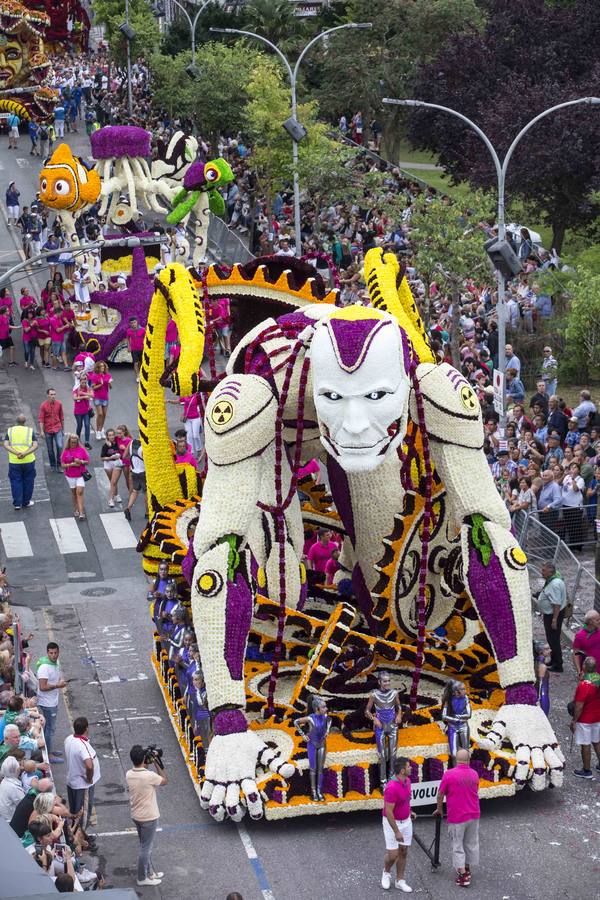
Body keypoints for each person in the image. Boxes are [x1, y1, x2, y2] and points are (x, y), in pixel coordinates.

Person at [435, 747, 480, 888]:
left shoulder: (449, 774)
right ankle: (467, 868)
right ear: (468, 760)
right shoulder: (474, 774)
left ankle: (463, 875)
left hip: (457, 816)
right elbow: (475, 790)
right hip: (474, 814)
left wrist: (439, 809)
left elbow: (440, 794)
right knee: (471, 842)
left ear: (455, 760)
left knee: (458, 843)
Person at [126, 744, 168, 887]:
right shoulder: (149, 776)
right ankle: (142, 877)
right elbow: (164, 780)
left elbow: (143, 771)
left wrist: (147, 760)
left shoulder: (129, 774)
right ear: (144, 759)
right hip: (148, 817)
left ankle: (149, 873)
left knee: (144, 845)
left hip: (136, 815)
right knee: (146, 848)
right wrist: (155, 761)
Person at [381, 756, 415, 893]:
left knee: (403, 851)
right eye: (408, 766)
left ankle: (400, 880)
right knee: (393, 854)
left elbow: (406, 800)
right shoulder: (391, 788)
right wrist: (396, 831)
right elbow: (389, 812)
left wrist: (410, 811)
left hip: (406, 822)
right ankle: (386, 872)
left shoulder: (408, 781)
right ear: (402, 771)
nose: (411, 768)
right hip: (392, 824)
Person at [366, 671, 403, 788]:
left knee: (393, 754)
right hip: (380, 727)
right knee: (382, 755)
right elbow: (366, 711)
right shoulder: (374, 695)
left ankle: (392, 779)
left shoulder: (394, 693)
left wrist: (399, 715)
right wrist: (373, 719)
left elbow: (399, 706)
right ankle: (383, 782)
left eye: (388, 681)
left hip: (392, 727)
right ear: (379, 682)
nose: (387, 683)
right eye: (385, 681)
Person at [64, 717, 100, 828]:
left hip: (72, 781)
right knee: (83, 812)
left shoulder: (69, 739)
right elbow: (89, 765)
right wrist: (89, 778)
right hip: (82, 784)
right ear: (86, 728)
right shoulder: (82, 746)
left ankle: (75, 833)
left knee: (75, 810)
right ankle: (81, 836)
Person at [35, 642, 68, 762]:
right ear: (47, 652)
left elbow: (57, 677)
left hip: (52, 701)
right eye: (51, 653)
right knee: (50, 729)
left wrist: (61, 680)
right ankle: (48, 755)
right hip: (47, 703)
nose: (53, 655)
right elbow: (43, 687)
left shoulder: (54, 663)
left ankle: (48, 749)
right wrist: (58, 685)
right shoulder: (45, 667)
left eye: (55, 653)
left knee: (49, 728)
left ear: (58, 652)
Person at [294, 696, 331, 802]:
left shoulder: (325, 716)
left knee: (320, 770)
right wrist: (303, 735)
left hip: (322, 744)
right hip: (312, 745)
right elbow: (296, 722)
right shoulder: (310, 718)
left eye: (326, 706)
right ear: (317, 709)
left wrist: (327, 731)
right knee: (313, 769)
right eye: (324, 707)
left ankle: (319, 791)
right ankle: (313, 791)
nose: (326, 709)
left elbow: (329, 721)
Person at [570, 656, 600, 779]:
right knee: (597, 741)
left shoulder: (584, 685)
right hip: (597, 716)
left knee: (585, 744)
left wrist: (574, 720)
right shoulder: (598, 678)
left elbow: (579, 706)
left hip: (585, 719)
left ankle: (586, 770)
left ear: (584, 667)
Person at [535, 563, 568, 672]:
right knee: (552, 639)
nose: (541, 572)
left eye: (544, 570)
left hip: (552, 615)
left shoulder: (554, 584)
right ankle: (554, 660)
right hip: (552, 614)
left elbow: (556, 604)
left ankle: (558, 665)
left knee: (553, 640)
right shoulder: (555, 578)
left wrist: (554, 620)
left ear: (550, 572)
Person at [3, 414, 38, 510]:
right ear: (24, 422)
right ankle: (26, 502)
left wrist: (16, 453)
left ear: (16, 421)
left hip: (14, 461)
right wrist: (25, 453)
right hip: (28, 460)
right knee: (28, 481)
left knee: (15, 482)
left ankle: (17, 504)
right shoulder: (29, 431)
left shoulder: (10, 431)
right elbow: (35, 445)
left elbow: (6, 444)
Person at [441, 680, 472, 765]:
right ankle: (456, 771)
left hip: (464, 726)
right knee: (454, 753)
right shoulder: (448, 700)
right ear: (456, 692)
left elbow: (469, 715)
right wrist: (455, 720)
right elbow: (443, 716)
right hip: (452, 727)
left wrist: (456, 717)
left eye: (465, 689)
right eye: (462, 689)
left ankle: (466, 771)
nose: (465, 691)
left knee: (466, 752)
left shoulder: (466, 698)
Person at [60, 434, 90, 520]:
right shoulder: (65, 452)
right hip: (70, 476)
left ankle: (81, 512)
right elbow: (62, 465)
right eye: (72, 442)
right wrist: (71, 464)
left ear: (77, 442)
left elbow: (87, 462)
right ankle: (76, 508)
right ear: (69, 441)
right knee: (74, 493)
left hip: (80, 475)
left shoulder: (81, 450)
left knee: (79, 492)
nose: (73, 443)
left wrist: (80, 461)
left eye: (75, 442)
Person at [38, 388, 64, 473]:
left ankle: (59, 465)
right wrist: (41, 431)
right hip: (48, 429)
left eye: (54, 394)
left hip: (57, 428)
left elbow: (62, 417)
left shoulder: (59, 404)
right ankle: (53, 465)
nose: (53, 396)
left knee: (60, 446)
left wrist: (63, 429)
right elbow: (41, 419)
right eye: (51, 394)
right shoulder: (43, 405)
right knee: (50, 449)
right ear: (48, 395)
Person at [88, 361, 112, 440]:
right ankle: (98, 431)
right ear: (98, 368)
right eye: (101, 366)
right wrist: (100, 384)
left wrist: (109, 383)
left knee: (104, 414)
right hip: (97, 397)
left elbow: (110, 387)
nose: (103, 368)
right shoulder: (95, 376)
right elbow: (93, 388)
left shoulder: (107, 375)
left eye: (103, 366)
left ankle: (101, 429)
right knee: (100, 414)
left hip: (105, 397)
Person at [573, 609, 600, 674]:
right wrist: (579, 671)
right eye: (597, 620)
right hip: (589, 671)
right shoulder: (580, 636)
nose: (599, 621)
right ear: (590, 622)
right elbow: (576, 654)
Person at [125, 437, 145, 521]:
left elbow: (125, 456)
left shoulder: (131, 442)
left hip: (134, 471)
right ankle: (147, 513)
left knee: (135, 491)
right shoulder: (144, 446)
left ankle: (128, 508)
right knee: (146, 492)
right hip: (144, 472)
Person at [0, 756, 25, 821]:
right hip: (11, 821)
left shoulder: (5, 780)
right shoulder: (13, 788)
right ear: (16, 769)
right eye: (19, 765)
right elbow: (24, 805)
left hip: (6, 818)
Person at [72, 374, 93, 449]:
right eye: (82, 382)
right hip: (78, 412)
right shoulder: (76, 389)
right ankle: (77, 441)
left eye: (85, 382)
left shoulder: (88, 388)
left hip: (86, 411)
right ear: (80, 382)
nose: (84, 384)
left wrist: (82, 394)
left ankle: (87, 442)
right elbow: (74, 398)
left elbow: (92, 395)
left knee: (87, 425)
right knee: (79, 426)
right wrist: (85, 396)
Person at [126, 317, 145, 382]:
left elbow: (146, 339)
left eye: (134, 322)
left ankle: (142, 374)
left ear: (137, 322)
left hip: (142, 349)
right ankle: (137, 376)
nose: (133, 324)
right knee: (135, 363)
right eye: (132, 323)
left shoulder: (143, 330)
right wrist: (128, 346)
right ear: (130, 324)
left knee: (142, 362)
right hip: (134, 349)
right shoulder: (129, 331)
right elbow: (128, 338)